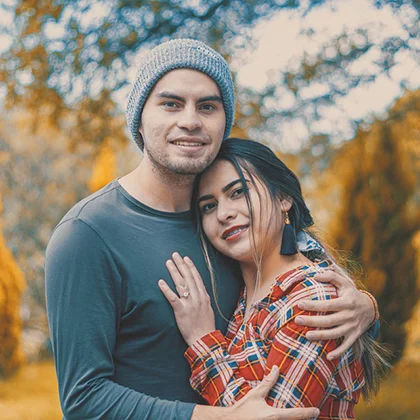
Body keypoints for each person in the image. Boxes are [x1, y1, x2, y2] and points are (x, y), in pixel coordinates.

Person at [45, 39, 378, 420]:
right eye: (171, 103)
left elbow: (302, 271)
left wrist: (366, 307)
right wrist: (225, 418)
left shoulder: (231, 230)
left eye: (207, 106)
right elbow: (84, 400)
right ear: (139, 117)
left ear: (223, 121)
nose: (190, 120)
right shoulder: (87, 234)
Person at [159, 138, 388, 418]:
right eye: (208, 206)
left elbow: (272, 415)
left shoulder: (311, 297)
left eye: (238, 192)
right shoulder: (244, 294)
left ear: (283, 198)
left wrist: (202, 339)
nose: (224, 213)